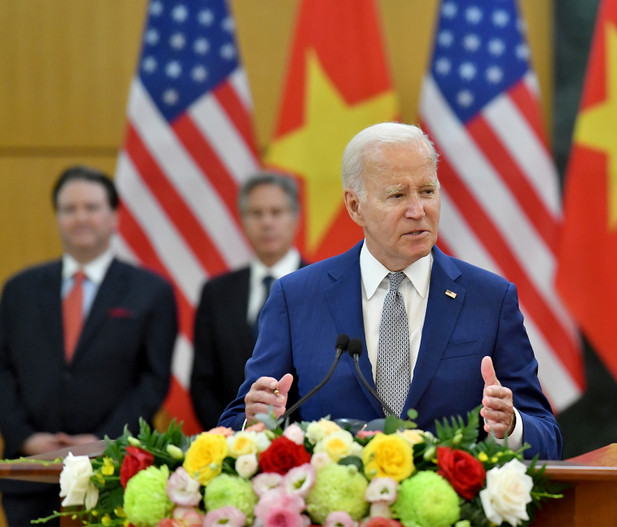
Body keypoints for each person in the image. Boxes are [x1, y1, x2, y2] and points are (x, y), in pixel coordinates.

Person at [219, 122, 562, 459]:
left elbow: (547, 435)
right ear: (355, 206)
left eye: (427, 191)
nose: (418, 210)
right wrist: (257, 419)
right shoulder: (296, 298)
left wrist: (511, 426)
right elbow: (235, 423)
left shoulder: (490, 298)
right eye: (397, 195)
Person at [0, 166, 178, 525]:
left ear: (113, 216)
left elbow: (153, 380)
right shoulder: (20, 289)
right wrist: (26, 436)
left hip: (112, 470)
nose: (80, 217)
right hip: (29, 472)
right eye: (70, 209)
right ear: (58, 216)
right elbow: (2, 370)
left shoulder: (151, 291)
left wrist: (102, 440)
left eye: (91, 207)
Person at [190, 171, 309, 430]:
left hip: (308, 442)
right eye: (256, 214)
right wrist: (232, 438)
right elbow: (202, 382)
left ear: (295, 218)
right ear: (242, 220)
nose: (266, 222)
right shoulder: (216, 292)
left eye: (276, 212)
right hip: (233, 444)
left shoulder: (320, 286)